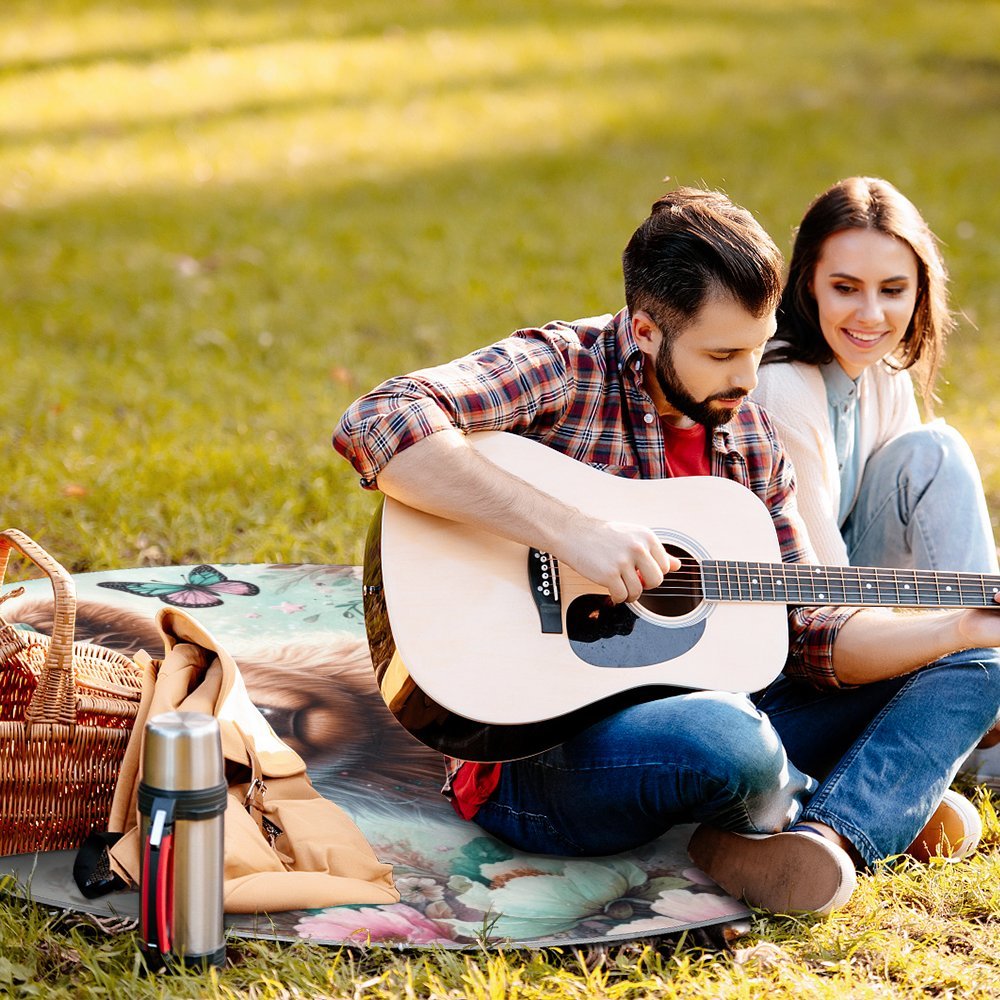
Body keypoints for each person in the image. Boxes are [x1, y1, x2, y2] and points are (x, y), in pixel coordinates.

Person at [333, 187, 1000, 916]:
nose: (748, 380)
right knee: (728, 741)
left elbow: (809, 629)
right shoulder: (564, 367)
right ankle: (858, 796)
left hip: (726, 709)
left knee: (980, 664)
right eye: (722, 354)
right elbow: (380, 419)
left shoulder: (748, 435)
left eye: (757, 346)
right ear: (646, 330)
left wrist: (956, 628)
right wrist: (569, 531)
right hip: (539, 756)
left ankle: (830, 836)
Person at [753, 176, 1000, 795]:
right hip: (798, 643)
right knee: (936, 451)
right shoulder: (783, 386)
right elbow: (824, 603)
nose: (872, 315)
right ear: (807, 281)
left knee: (932, 451)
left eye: (893, 291)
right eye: (845, 288)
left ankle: (978, 691)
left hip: (862, 606)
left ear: (920, 292)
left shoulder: (882, 370)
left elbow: (922, 525)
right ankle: (974, 701)